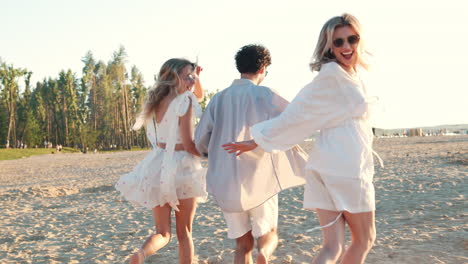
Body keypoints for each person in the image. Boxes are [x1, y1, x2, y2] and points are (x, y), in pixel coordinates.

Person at [222, 14, 381, 264]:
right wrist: (258, 140)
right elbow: (296, 115)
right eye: (338, 42)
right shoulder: (333, 76)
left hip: (323, 167)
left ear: (360, 39)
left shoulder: (338, 76)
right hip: (348, 167)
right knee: (364, 239)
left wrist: (258, 141)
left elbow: (296, 116)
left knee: (332, 246)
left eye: (352, 39)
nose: (346, 47)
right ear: (329, 46)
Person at [195, 44, 307, 264]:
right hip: (260, 176)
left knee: (242, 244)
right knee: (269, 233)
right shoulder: (265, 93)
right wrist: (266, 141)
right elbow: (296, 119)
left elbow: (200, 138)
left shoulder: (218, 99)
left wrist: (212, 154)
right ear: (263, 68)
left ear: (239, 66)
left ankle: (253, 255)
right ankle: (264, 254)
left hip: (225, 180)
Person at [115, 58, 207, 264]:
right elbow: (188, 142)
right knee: (184, 233)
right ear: (174, 78)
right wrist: (206, 155)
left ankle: (140, 254)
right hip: (182, 166)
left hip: (158, 164)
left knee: (163, 233)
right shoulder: (185, 101)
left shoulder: (158, 99)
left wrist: (197, 78)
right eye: (187, 76)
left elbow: (198, 93)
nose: (192, 80)